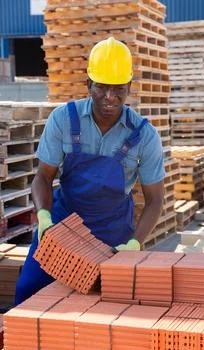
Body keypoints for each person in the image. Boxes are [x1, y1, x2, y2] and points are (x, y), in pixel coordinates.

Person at [15, 37, 165, 305]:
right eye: (102, 87)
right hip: (61, 227)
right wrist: (44, 217)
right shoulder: (63, 119)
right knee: (28, 291)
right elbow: (43, 177)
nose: (110, 97)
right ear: (88, 85)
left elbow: (155, 200)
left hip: (113, 232)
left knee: (104, 306)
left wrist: (134, 243)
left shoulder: (144, 135)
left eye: (118, 88)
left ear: (129, 87)